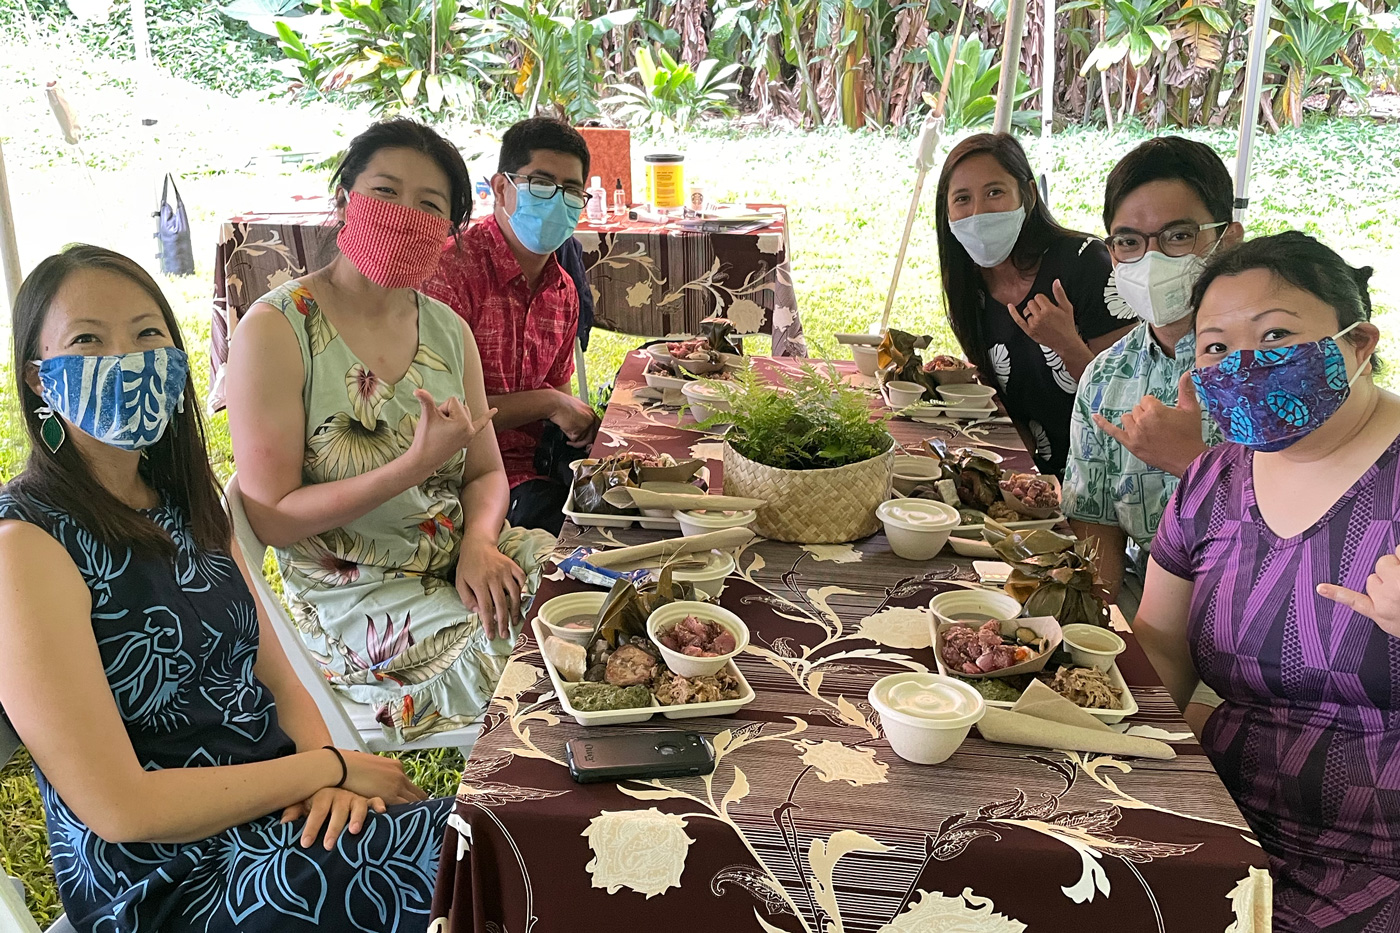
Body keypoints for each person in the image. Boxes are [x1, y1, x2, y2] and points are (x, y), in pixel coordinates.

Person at [0, 244, 449, 932]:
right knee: (463, 867)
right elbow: (122, 806)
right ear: (39, 378)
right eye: (89, 339)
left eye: (148, 334)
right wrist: (325, 769)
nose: (127, 357)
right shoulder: (26, 544)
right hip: (169, 879)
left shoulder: (181, 500)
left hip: (279, 811)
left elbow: (278, 677)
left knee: (488, 839)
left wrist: (325, 775)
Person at [225, 119, 553, 744]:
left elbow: (485, 472)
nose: (404, 214)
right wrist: (411, 464)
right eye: (385, 190)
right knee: (537, 663)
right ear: (346, 196)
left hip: (466, 557)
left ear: (449, 234)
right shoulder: (277, 330)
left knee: (592, 600)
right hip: (357, 600)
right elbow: (271, 517)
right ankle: (517, 825)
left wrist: (481, 542)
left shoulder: (448, 330)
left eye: (429, 204)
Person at [1136, 232, 1400, 929]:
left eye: (1276, 334)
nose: (1244, 364)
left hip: (1379, 861)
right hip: (1223, 822)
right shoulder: (1213, 479)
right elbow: (1162, 642)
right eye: (1216, 346)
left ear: (1359, 343)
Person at [1063, 136, 1242, 604]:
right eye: (1129, 242)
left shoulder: (1268, 373)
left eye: (1178, 236)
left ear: (1228, 240)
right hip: (1143, 604)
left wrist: (1196, 463)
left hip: (1256, 615)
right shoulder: (1104, 378)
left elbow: (1312, 524)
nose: (1151, 258)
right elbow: (1095, 523)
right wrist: (1098, 631)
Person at [423, 117, 601, 535]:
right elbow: (436, 413)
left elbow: (558, 393)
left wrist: (571, 420)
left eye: (572, 191)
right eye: (541, 183)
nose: (557, 201)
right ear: (501, 188)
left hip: (535, 466)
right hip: (460, 477)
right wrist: (549, 404)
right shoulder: (452, 272)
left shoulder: (563, 291)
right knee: (574, 537)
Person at [935, 132, 1133, 476]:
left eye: (995, 192)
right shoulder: (969, 285)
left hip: (1102, 470)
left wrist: (1066, 343)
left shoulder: (1084, 263)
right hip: (1025, 472)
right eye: (962, 199)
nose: (978, 212)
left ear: (1027, 194)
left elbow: (1124, 398)